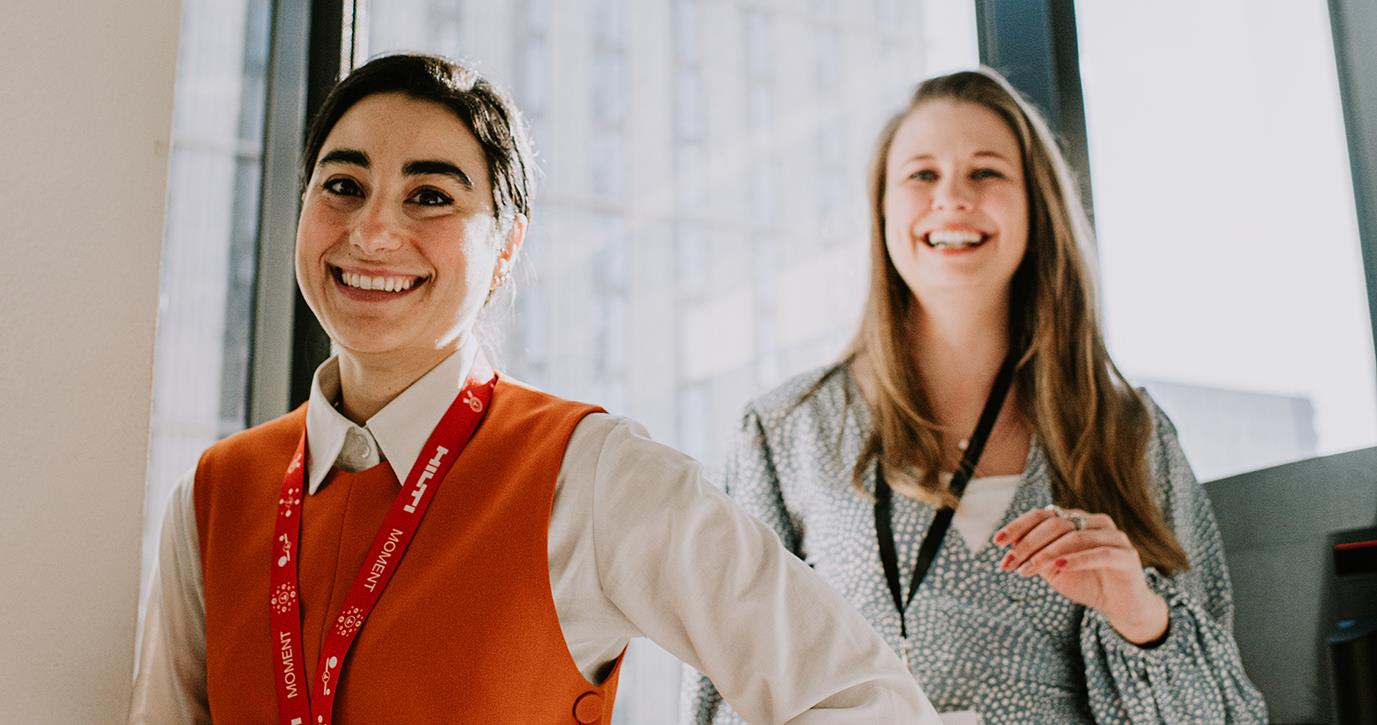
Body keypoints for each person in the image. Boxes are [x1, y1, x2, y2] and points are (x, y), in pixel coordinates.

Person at [127, 53, 942, 725]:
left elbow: (864, 699)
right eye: (342, 184)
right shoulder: (215, 493)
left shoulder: (590, 474)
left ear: (507, 243)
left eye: (431, 196)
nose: (373, 231)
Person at [683, 68, 1267, 724]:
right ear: (881, 210)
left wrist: (1141, 615)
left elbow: (1228, 714)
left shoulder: (1125, 431)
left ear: (1034, 207)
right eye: (922, 175)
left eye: (985, 172)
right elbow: (722, 687)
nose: (952, 197)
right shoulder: (785, 431)